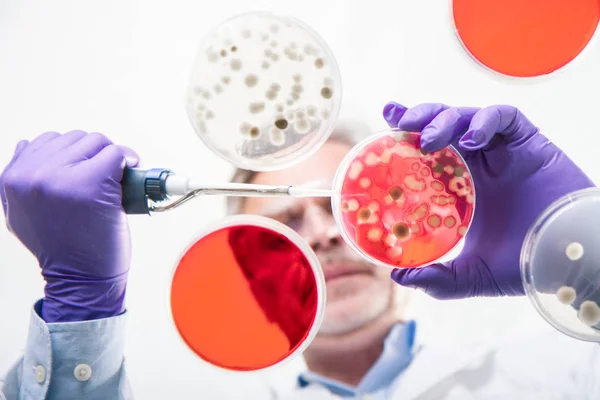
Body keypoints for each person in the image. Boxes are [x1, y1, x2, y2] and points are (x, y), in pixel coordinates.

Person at [0, 103, 599, 400]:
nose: (323, 232)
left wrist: (587, 254)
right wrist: (81, 310)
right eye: (286, 223)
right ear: (247, 273)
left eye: (351, 207)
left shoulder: (558, 374)